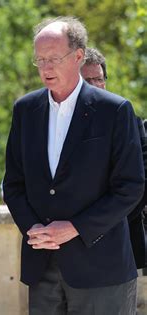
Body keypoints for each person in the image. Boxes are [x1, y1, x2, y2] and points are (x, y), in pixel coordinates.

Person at [3, 17, 144, 315]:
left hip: (101, 269)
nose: (45, 68)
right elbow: (14, 184)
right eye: (39, 60)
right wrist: (34, 229)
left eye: (53, 58)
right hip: (42, 267)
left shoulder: (114, 110)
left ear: (79, 56)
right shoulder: (25, 110)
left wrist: (75, 228)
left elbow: (130, 188)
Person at [81, 47, 147, 270]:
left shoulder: (130, 121)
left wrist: (104, 224)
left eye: (99, 79)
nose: (94, 85)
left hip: (124, 242)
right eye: (86, 79)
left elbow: (140, 184)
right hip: (71, 246)